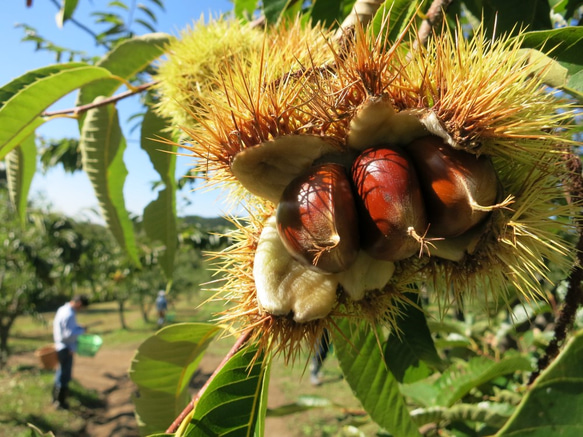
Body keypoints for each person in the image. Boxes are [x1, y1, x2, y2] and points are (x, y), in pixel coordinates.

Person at [52, 295, 89, 409]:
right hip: (66, 348)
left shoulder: (62, 309)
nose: (80, 310)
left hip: (61, 346)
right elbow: (67, 334)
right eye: (81, 307)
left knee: (60, 373)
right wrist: (82, 330)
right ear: (79, 304)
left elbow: (67, 329)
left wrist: (77, 327)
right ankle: (60, 402)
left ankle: (55, 398)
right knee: (64, 375)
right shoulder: (69, 314)